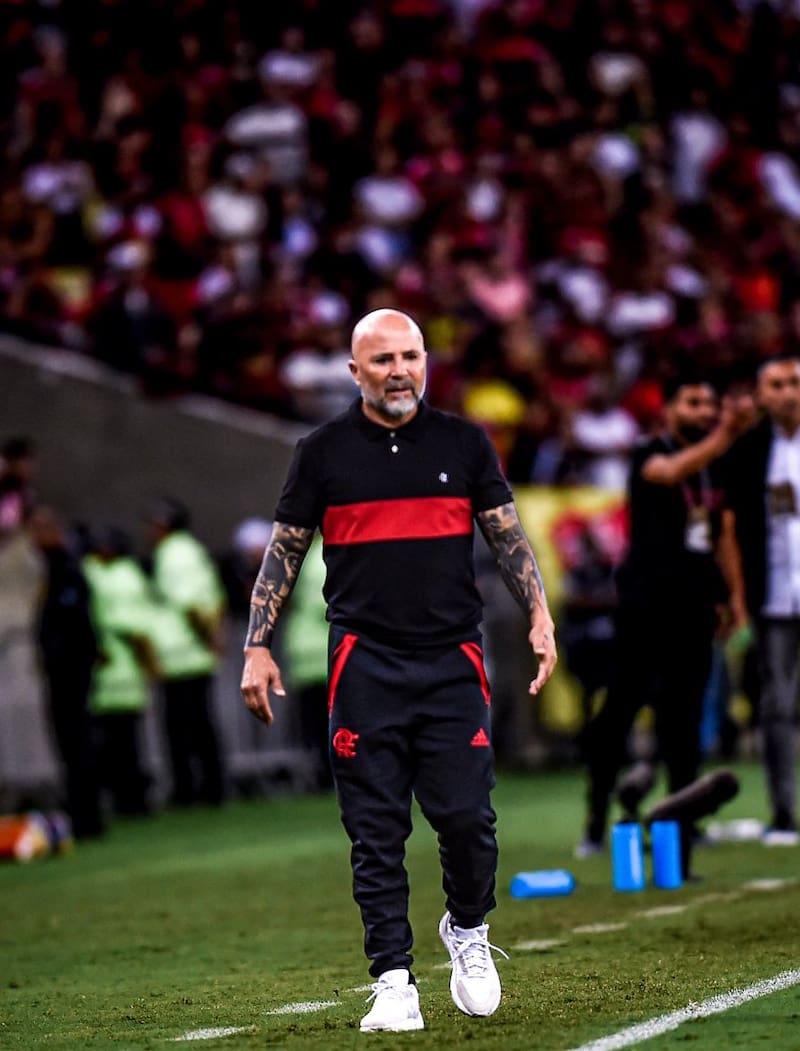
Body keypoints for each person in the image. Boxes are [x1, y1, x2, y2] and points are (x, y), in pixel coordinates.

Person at [240, 308, 557, 1033]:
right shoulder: (321, 452)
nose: (399, 370)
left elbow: (508, 536)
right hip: (365, 665)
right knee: (375, 830)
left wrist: (538, 615)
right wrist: (257, 643)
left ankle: (468, 931)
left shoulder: (463, 442)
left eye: (410, 355)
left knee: (468, 820)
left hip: (452, 661)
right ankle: (393, 979)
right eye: (382, 359)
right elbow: (284, 550)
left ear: (425, 361)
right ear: (355, 373)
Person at [576, 373, 753, 856]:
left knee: (685, 717)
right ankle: (596, 821)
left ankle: (681, 824)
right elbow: (668, 473)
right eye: (693, 402)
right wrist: (726, 434)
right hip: (644, 607)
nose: (704, 412)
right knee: (619, 713)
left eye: (709, 404)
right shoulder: (647, 450)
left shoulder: (719, 464)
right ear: (669, 409)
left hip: (695, 607)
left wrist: (735, 600)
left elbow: (725, 533)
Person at [724, 355, 800, 845]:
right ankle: (782, 812)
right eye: (777, 385)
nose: (789, 392)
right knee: (777, 706)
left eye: (795, 382)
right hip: (774, 598)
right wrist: (738, 598)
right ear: (761, 394)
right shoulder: (749, 451)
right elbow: (731, 529)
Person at [28, 506, 104, 838]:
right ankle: (81, 815)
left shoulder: (66, 569)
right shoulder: (54, 569)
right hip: (65, 671)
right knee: (70, 744)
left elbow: (73, 623)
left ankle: (88, 819)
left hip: (70, 673)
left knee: (77, 743)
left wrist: (58, 657)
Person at [147, 499, 227, 807]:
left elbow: (187, 604)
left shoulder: (171, 555)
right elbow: (213, 598)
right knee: (204, 726)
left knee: (180, 731)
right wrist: (215, 638)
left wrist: (207, 638)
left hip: (181, 653)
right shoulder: (195, 551)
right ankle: (213, 787)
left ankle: (189, 791)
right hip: (197, 654)